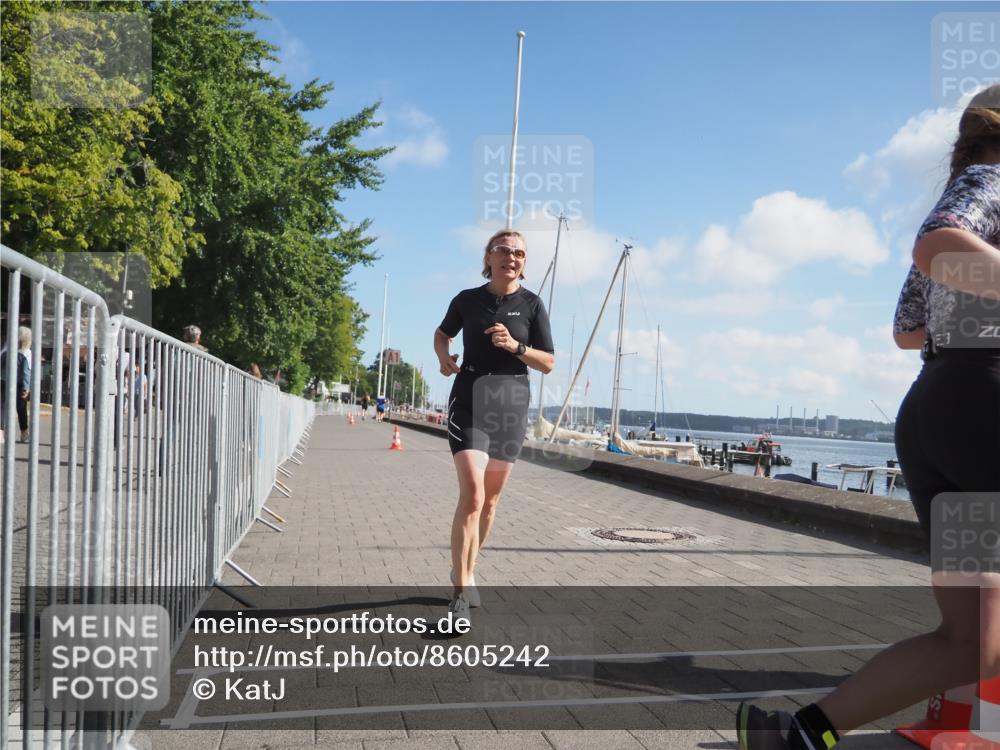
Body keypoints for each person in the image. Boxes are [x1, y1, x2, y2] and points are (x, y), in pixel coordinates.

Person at [737, 85, 1000, 749]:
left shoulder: (972, 185)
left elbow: (908, 329)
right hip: (985, 406)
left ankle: (799, 734)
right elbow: (937, 243)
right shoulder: (992, 179)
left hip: (940, 407)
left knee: (972, 642)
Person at [434, 228, 555, 620]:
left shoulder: (532, 304)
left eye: (519, 253)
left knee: (489, 502)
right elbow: (442, 333)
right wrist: (443, 356)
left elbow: (548, 363)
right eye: (503, 250)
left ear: (524, 262)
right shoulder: (467, 300)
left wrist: (516, 346)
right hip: (470, 399)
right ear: (489, 257)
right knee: (472, 495)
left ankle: (467, 569)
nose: (511, 257)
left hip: (511, 407)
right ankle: (459, 595)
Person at [0, 326, 32, 443]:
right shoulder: (26, 353)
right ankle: (24, 433)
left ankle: (0, 433)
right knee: (21, 408)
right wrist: (26, 388)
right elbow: (26, 372)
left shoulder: (6, 350)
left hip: (4, 381)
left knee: (2, 407)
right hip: (19, 384)